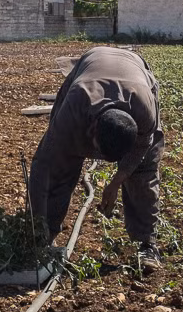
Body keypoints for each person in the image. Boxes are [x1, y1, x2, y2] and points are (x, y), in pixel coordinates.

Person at [28, 46, 165, 272]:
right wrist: (38, 226)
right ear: (91, 130)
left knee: (144, 170)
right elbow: (45, 166)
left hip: (136, 72)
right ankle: (45, 237)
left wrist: (117, 180)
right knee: (58, 166)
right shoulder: (74, 109)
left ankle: (147, 244)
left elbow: (142, 147)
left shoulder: (144, 112)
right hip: (90, 68)